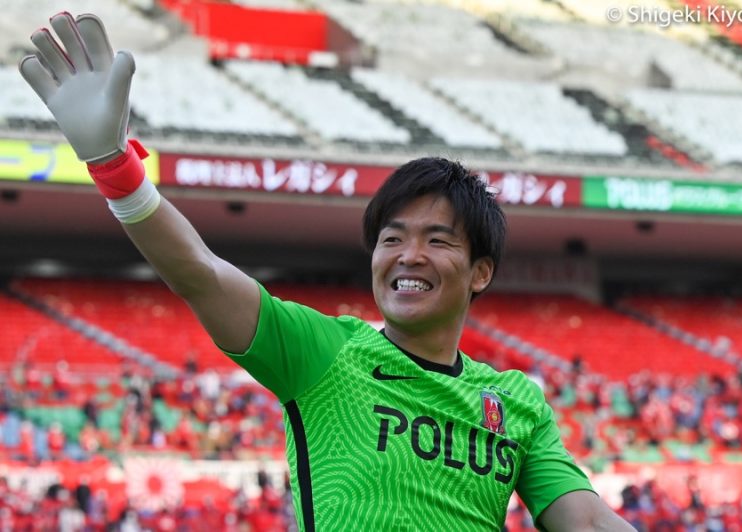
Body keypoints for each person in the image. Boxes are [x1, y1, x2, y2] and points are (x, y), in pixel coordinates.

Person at [19, 12, 635, 531]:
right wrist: (116, 169)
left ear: (481, 273)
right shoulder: (324, 353)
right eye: (392, 238)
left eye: (437, 240)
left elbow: (585, 520)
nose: (408, 255)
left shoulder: (517, 402)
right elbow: (200, 273)